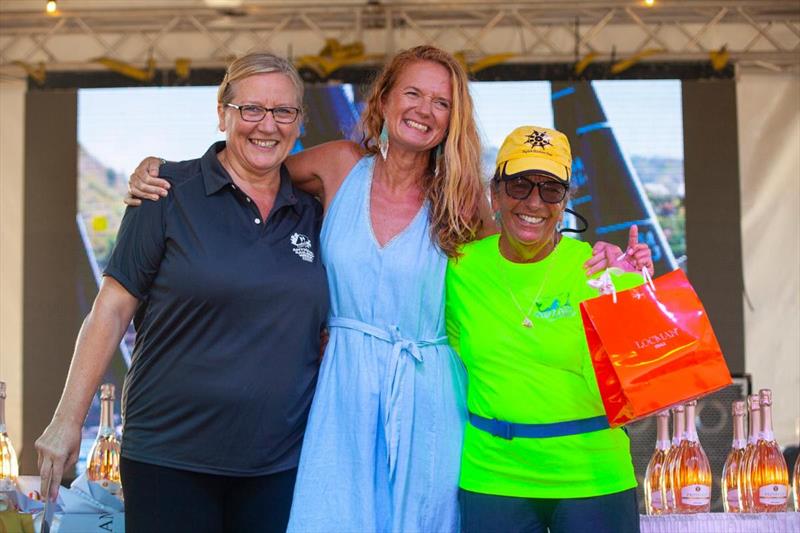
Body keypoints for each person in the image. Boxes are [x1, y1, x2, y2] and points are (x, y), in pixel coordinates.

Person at [126, 47, 645, 532]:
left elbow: (521, 256)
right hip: (340, 389)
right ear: (385, 100)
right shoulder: (339, 165)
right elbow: (248, 164)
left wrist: (606, 262)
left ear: (452, 118)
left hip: (430, 396)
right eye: (413, 94)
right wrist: (164, 171)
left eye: (441, 101)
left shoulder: (462, 201)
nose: (425, 110)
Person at [35, 53, 329, 533]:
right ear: (222, 113)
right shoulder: (165, 194)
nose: (267, 125)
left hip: (279, 468)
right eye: (251, 109)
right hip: (169, 460)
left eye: (283, 112)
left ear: (299, 122)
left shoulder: (314, 213)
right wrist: (68, 419)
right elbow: (109, 311)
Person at [445, 126, 651, 533]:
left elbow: (647, 383)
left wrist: (636, 292)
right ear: (496, 193)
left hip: (593, 476)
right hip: (493, 477)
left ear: (565, 202)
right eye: (520, 185)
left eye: (551, 190)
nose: (534, 202)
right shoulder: (458, 267)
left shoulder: (604, 269)